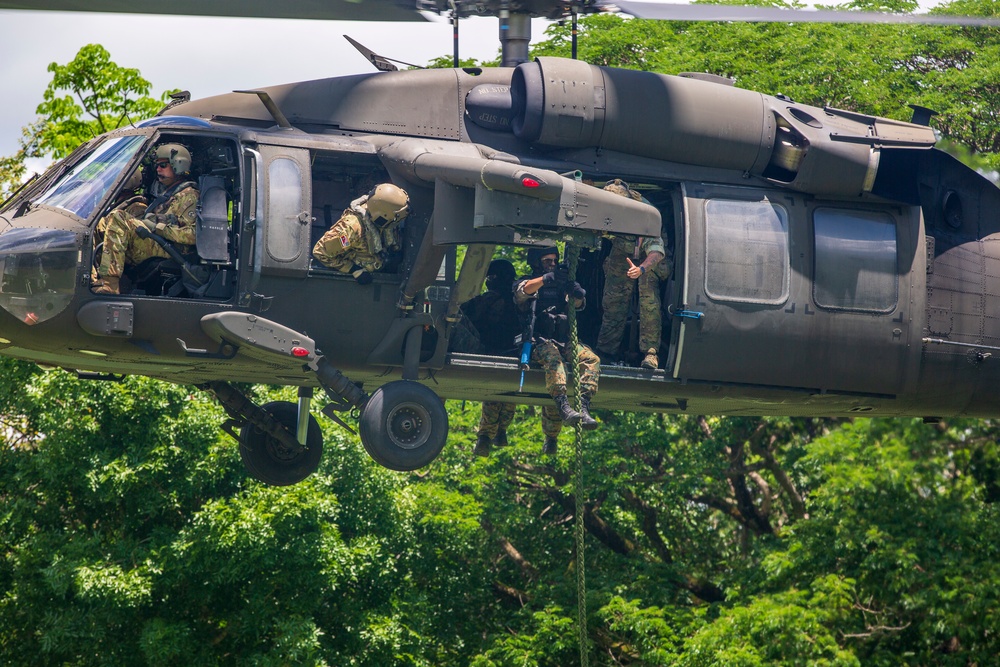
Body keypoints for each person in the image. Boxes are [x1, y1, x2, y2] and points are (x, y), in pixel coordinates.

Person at [514, 246, 601, 455]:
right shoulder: (527, 282)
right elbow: (522, 292)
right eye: (547, 261)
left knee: (591, 359)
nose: (552, 264)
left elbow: (578, 304)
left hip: (563, 340)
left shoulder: (561, 284)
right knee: (555, 362)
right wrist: (547, 278)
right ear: (537, 262)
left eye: (554, 261)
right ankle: (563, 406)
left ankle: (584, 405)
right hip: (538, 342)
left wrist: (577, 293)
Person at [93, 143, 199, 295]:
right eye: (157, 166)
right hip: (157, 242)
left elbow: (193, 235)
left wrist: (158, 228)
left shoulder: (189, 196)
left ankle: (110, 283)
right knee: (101, 224)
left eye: (163, 165)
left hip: (170, 250)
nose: (158, 169)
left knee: (119, 217)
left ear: (178, 165)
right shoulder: (168, 194)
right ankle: (93, 279)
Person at [595, 179, 670, 369]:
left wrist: (641, 269)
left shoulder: (646, 215)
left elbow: (656, 252)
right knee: (613, 300)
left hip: (649, 257)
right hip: (623, 251)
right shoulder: (606, 210)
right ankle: (606, 351)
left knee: (649, 302)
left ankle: (650, 353)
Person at [460, 259, 522, 457]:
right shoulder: (519, 299)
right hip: (514, 352)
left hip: (489, 351)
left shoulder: (488, 299)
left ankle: (486, 437)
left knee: (495, 394)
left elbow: (466, 312)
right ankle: (499, 432)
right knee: (509, 393)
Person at [312, 183, 409, 283]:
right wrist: (353, 269)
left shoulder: (383, 216)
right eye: (394, 221)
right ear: (382, 217)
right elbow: (320, 252)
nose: (395, 223)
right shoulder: (350, 230)